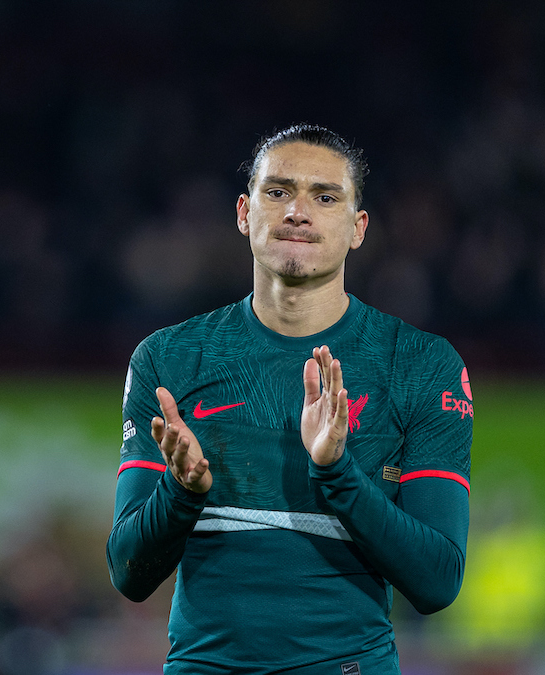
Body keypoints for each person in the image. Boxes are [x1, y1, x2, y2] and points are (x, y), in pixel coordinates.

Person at [107, 124, 473, 674]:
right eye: (277, 192)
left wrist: (336, 472)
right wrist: (181, 492)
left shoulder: (420, 364)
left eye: (325, 197)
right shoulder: (169, 359)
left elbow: (438, 582)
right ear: (243, 213)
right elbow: (127, 573)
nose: (298, 211)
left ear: (358, 227)